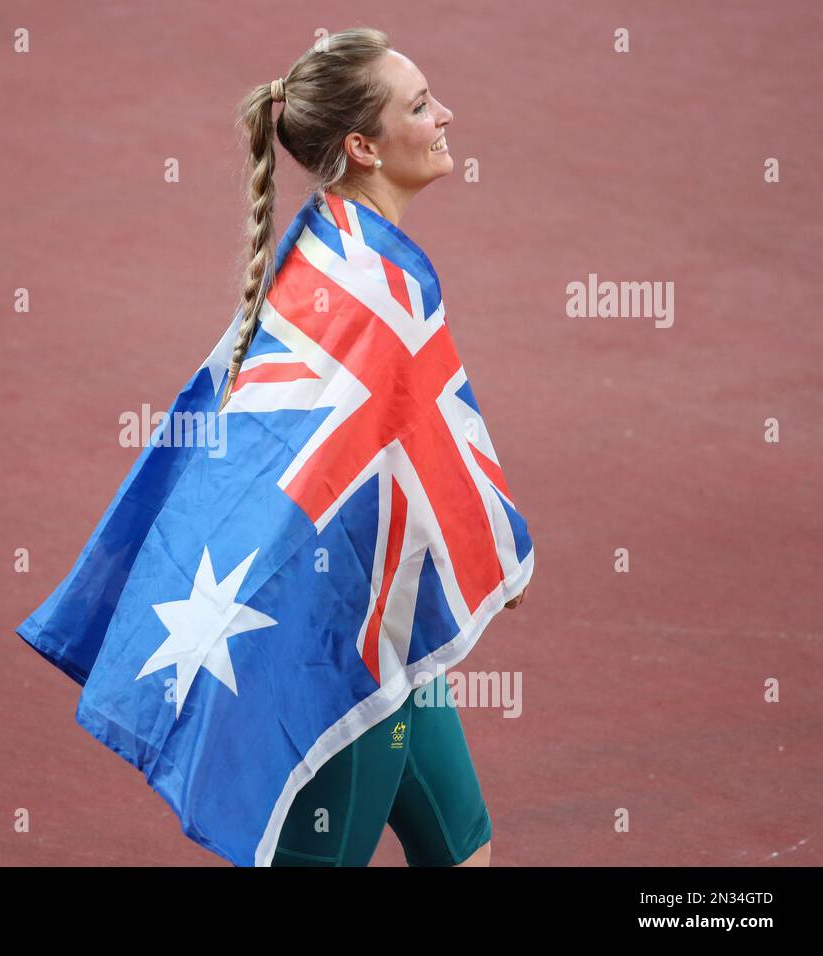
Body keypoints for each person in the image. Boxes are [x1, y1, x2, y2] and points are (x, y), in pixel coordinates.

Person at [228, 29, 531, 867]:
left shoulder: (333, 249)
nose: (445, 118)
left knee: (464, 852)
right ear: (362, 147)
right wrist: (490, 554)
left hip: (386, 625)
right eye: (422, 106)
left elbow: (393, 441)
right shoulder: (370, 285)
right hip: (339, 649)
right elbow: (403, 448)